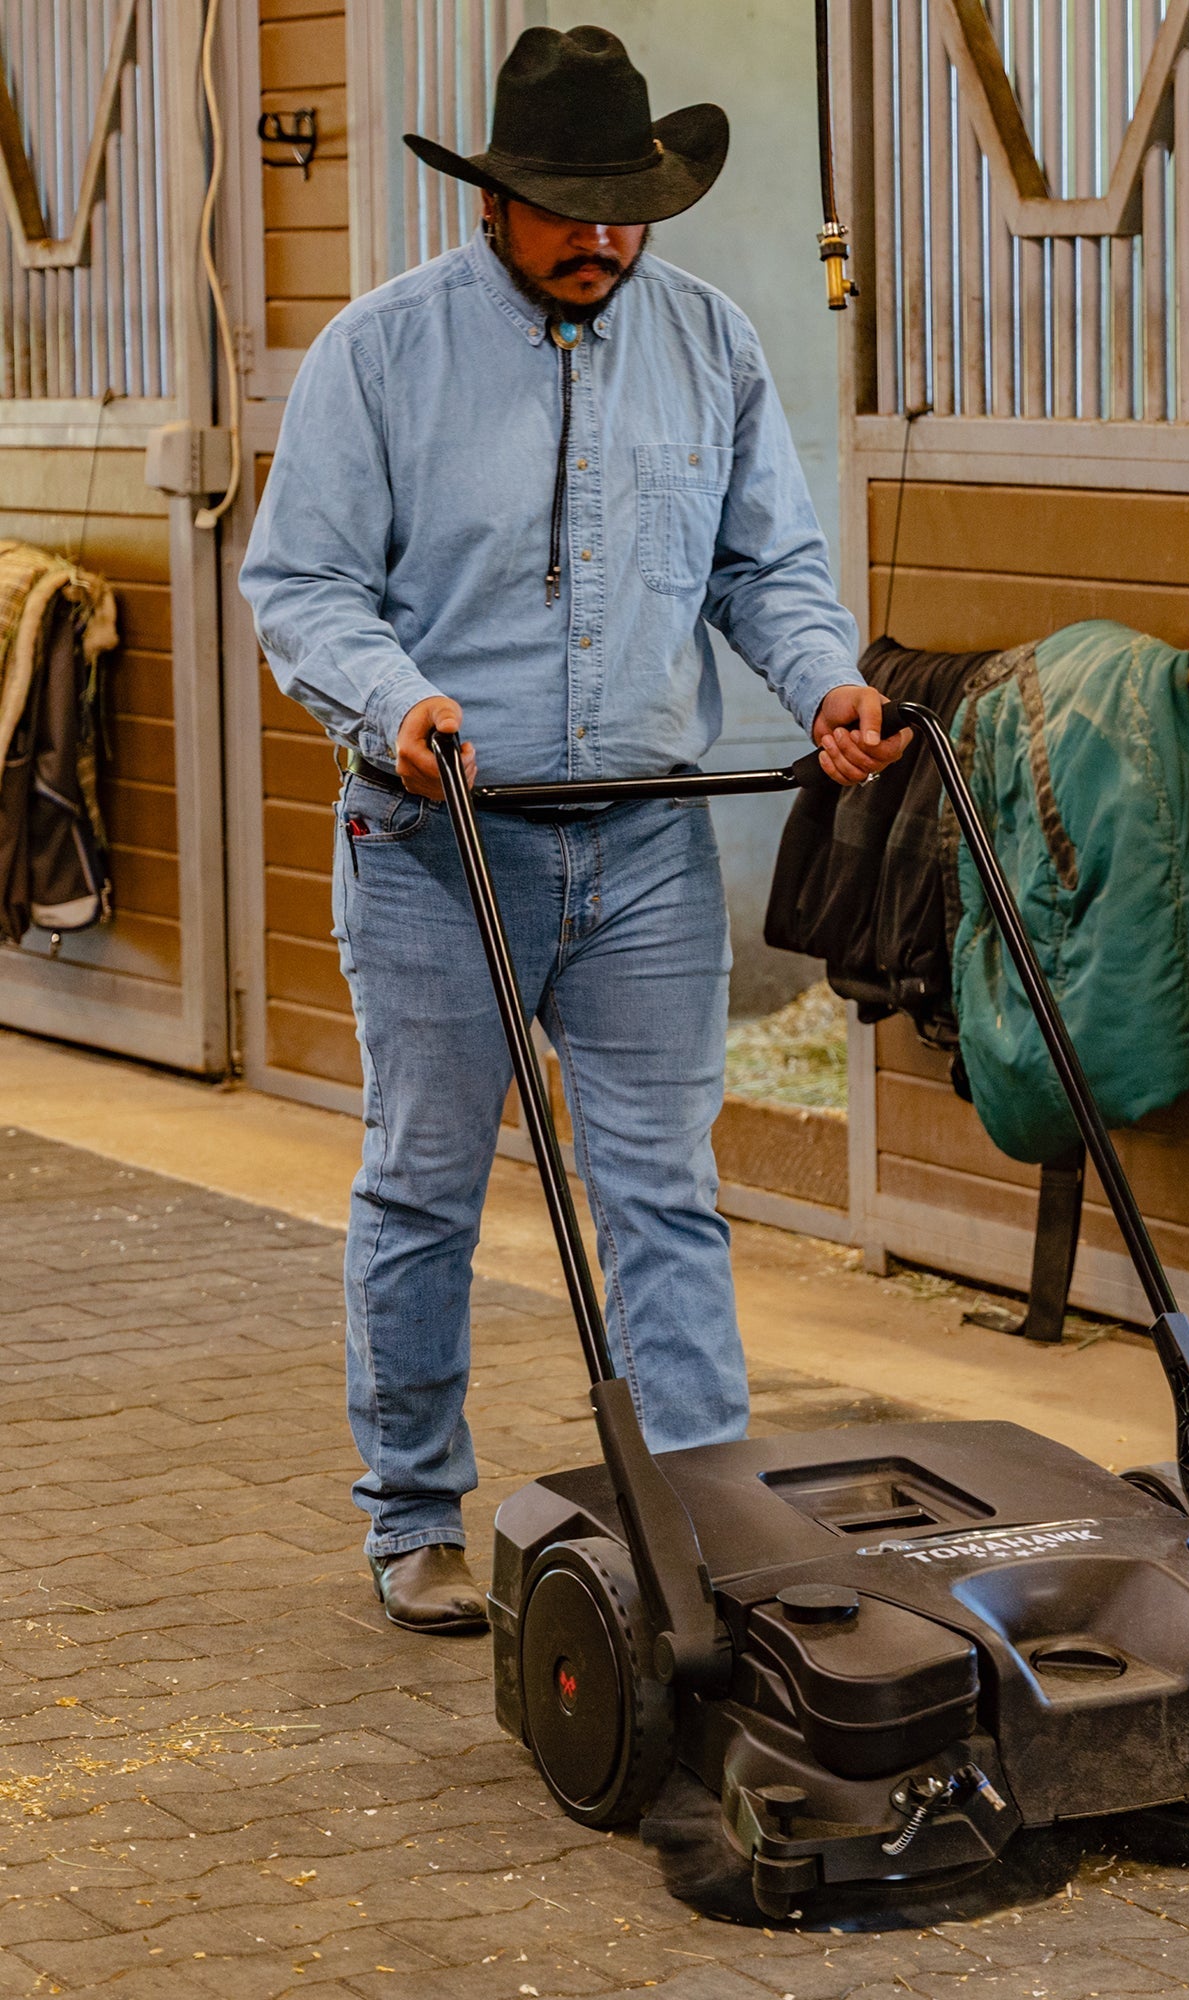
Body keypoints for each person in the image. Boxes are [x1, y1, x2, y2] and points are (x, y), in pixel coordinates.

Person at [240, 25, 905, 1635]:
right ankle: (412, 1509)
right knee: (424, 1180)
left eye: (628, 209)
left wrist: (823, 681)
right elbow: (301, 584)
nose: (602, 238)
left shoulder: (713, 344)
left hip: (649, 851)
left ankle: (704, 1517)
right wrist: (393, 701)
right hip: (439, 845)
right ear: (495, 200)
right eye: (569, 209)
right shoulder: (379, 355)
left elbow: (766, 568)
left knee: (664, 1189)